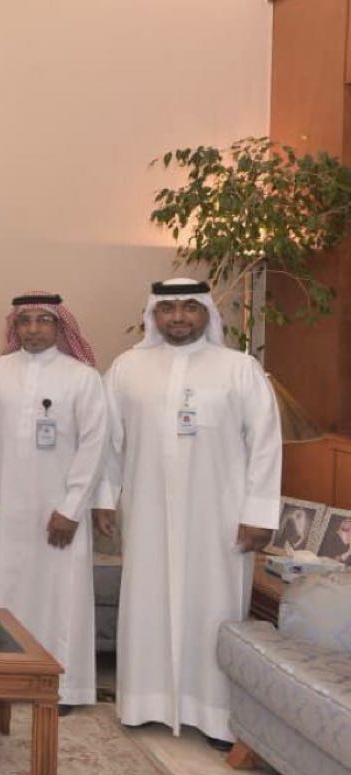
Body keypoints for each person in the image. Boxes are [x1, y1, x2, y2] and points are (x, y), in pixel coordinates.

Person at [93, 277, 281, 748]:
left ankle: (214, 714)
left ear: (205, 313)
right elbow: (108, 443)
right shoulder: (128, 368)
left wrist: (259, 512)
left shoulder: (239, 369)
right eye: (168, 308)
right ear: (153, 315)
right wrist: (104, 499)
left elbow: (265, 445)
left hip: (218, 518)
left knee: (215, 607)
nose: (178, 317)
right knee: (147, 601)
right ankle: (144, 703)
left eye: (188, 308)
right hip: (147, 513)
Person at [0, 292, 108, 714]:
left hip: (59, 511)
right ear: (14, 326)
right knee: (2, 591)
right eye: (25, 320)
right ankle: (0, 680)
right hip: (2, 508)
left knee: (60, 596)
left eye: (43, 320)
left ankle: (61, 686)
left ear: (59, 326)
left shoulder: (83, 378)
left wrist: (72, 508)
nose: (33, 328)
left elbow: (94, 446)